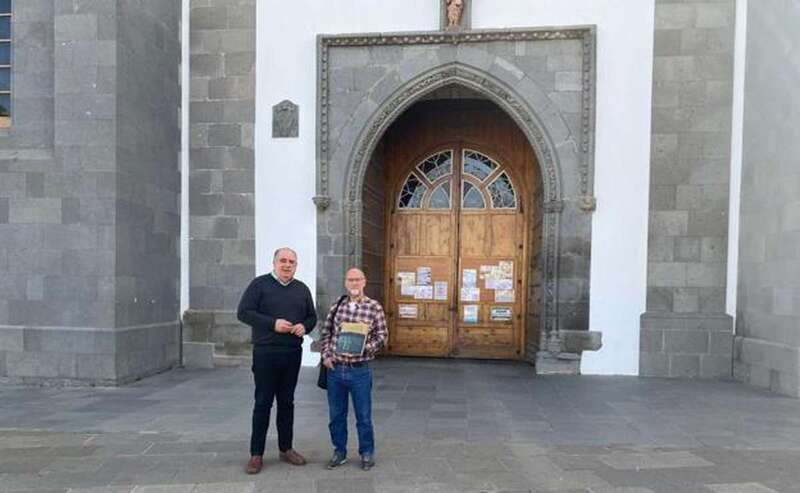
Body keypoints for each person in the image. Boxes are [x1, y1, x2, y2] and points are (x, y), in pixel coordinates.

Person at [237, 247, 317, 475]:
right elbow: (243, 312)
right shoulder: (259, 285)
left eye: (292, 261)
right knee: (263, 403)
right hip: (265, 353)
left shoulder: (301, 289)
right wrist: (272, 324)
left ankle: (286, 448)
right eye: (283, 260)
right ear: (274, 262)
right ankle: (256, 454)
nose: (287, 264)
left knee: (287, 402)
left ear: (296, 265)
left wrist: (305, 326)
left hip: (291, 353)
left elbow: (311, 316)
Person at [320, 268, 388, 471]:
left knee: (364, 416)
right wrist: (325, 356)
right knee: (336, 416)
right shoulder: (337, 306)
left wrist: (364, 348)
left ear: (364, 282)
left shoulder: (374, 307)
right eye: (350, 280)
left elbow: (382, 335)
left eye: (358, 279)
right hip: (336, 370)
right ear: (346, 283)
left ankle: (367, 452)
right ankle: (339, 451)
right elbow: (325, 333)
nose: (354, 283)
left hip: (360, 370)